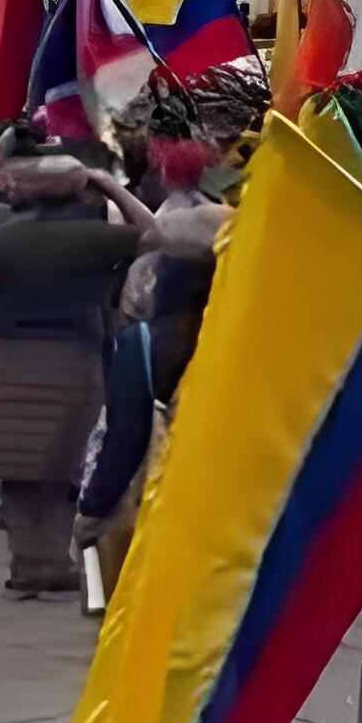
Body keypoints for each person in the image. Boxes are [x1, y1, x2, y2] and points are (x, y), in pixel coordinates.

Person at [0, 141, 148, 597]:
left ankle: (28, 563)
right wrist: (111, 186)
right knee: (62, 468)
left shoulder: (3, 232)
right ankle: (53, 561)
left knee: (17, 467)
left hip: (13, 360)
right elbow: (155, 235)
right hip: (75, 359)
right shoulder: (94, 238)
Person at [72, 249, 217, 591]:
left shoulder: (140, 344)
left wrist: (93, 508)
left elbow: (127, 433)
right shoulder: (228, 342)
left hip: (158, 500)